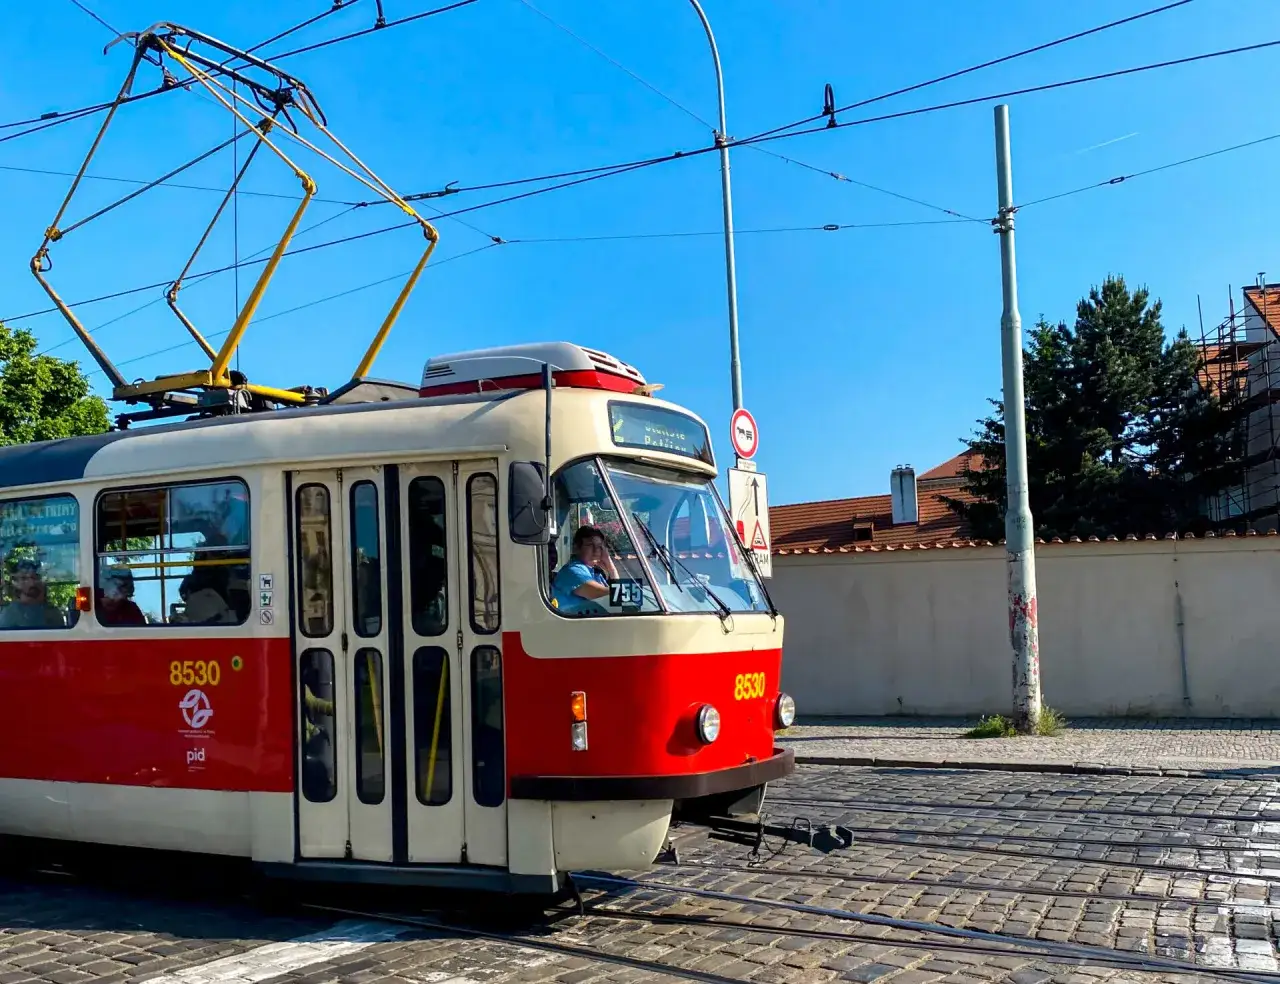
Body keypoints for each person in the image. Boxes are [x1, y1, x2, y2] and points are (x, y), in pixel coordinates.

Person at [550, 524, 618, 616]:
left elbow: (618, 602)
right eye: (590, 545)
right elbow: (611, 596)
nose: (596, 550)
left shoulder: (595, 573)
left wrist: (611, 570)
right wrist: (611, 568)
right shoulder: (573, 571)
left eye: (599, 546)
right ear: (577, 548)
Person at [0, 554, 66, 629]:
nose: (31, 583)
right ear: (16, 584)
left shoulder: (53, 612)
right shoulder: (9, 613)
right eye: (24, 578)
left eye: (35, 577)